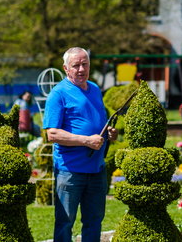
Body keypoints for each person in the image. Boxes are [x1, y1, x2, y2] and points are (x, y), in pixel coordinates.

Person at [43, 47, 117, 242]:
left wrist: (107, 133)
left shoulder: (94, 89)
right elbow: (52, 134)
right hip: (70, 172)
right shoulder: (58, 94)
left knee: (94, 222)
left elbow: (96, 123)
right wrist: (86, 141)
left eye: (85, 64)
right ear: (66, 68)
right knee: (65, 223)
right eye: (76, 65)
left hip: (97, 169)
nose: (81, 69)